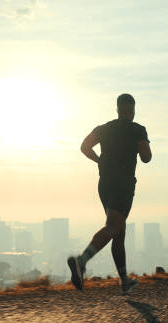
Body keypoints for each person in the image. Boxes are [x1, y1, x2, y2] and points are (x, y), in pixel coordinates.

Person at [67, 93, 152, 295]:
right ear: (132, 110)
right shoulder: (137, 129)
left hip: (104, 184)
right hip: (124, 184)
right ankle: (82, 261)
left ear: (117, 109)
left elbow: (84, 146)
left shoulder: (103, 129)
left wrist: (99, 161)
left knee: (119, 232)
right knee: (114, 226)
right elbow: (147, 157)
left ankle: (124, 280)